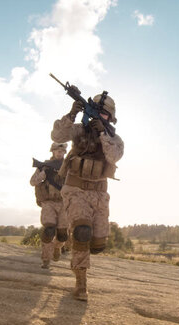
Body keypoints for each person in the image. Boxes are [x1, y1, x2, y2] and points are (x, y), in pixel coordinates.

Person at [51, 93, 123, 301]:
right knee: (82, 232)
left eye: (105, 115)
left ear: (111, 118)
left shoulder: (115, 139)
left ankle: (62, 242)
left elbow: (114, 156)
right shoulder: (79, 130)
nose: (100, 118)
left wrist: (103, 135)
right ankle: (81, 284)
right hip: (76, 189)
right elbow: (57, 136)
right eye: (97, 113)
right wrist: (72, 113)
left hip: (99, 194)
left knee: (98, 245)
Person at [29, 142, 68, 269]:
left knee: (62, 234)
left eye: (62, 151)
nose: (59, 153)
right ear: (53, 151)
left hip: (63, 202)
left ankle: (57, 247)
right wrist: (42, 175)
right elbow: (32, 182)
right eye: (57, 151)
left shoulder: (68, 167)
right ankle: (46, 259)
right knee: (48, 230)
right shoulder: (45, 166)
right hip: (48, 202)